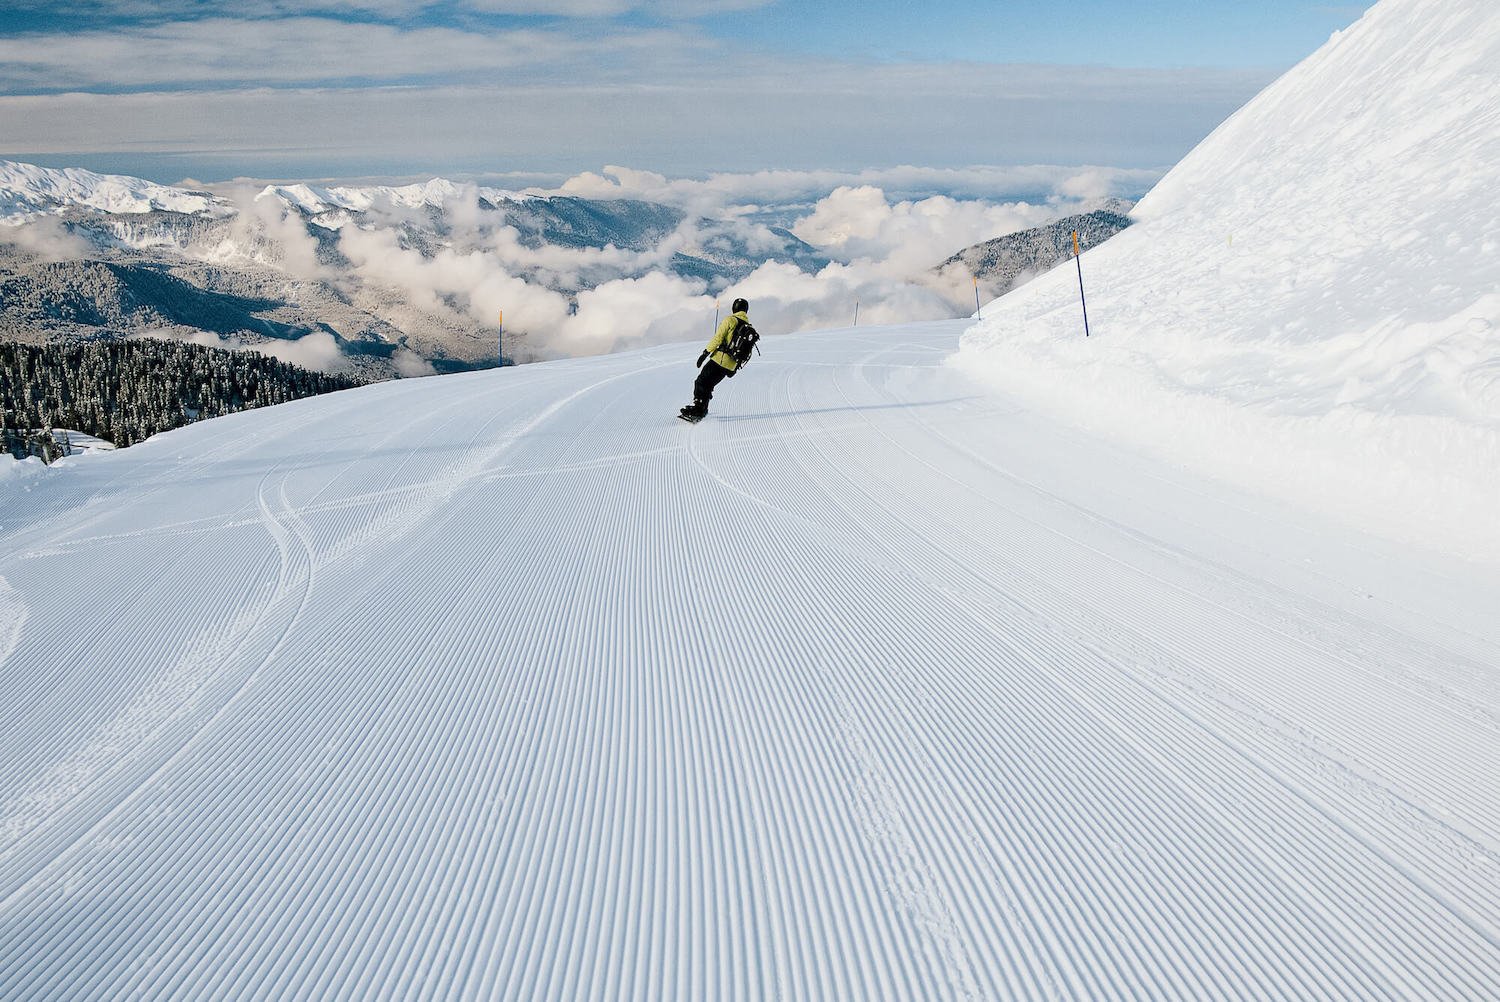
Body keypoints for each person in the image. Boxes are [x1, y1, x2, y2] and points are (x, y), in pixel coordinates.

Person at [680, 298, 750, 422]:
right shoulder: (748, 327)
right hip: (731, 365)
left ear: (734, 308)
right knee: (709, 384)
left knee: (701, 382)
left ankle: (698, 410)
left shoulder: (730, 320)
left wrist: (705, 353)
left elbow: (718, 339)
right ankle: (703, 409)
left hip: (720, 359)